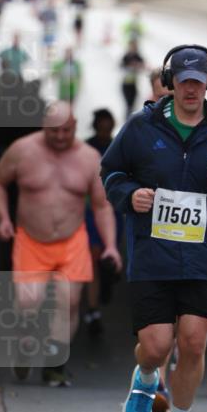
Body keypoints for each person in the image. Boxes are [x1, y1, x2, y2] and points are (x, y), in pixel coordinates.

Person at [100, 45, 207, 412]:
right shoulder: (141, 127)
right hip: (152, 254)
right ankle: (145, 378)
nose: (191, 89)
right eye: (184, 81)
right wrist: (131, 195)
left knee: (192, 343)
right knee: (155, 346)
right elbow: (110, 173)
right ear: (170, 82)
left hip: (202, 258)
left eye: (198, 82)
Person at [0, 102, 122, 386]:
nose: (60, 136)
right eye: (54, 131)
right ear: (43, 126)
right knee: (28, 302)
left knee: (70, 302)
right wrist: (3, 218)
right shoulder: (23, 150)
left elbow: (101, 206)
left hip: (72, 240)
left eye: (66, 130)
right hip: (31, 240)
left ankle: (54, 363)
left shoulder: (88, 158)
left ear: (75, 127)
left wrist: (110, 245)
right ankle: (24, 346)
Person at [83, 109, 122, 335]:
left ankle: (107, 280)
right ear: (96, 126)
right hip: (91, 210)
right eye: (101, 126)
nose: (105, 131)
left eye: (109, 127)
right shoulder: (86, 149)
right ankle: (93, 309)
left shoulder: (119, 146)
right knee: (93, 257)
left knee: (109, 255)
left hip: (114, 211)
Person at [120, 40, 145, 118]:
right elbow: (121, 67)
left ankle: (130, 118)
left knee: (132, 104)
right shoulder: (126, 56)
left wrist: (138, 66)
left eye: (134, 46)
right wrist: (131, 66)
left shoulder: (138, 56)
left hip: (134, 84)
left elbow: (143, 66)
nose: (133, 48)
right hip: (125, 83)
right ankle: (127, 120)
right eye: (132, 46)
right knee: (128, 104)